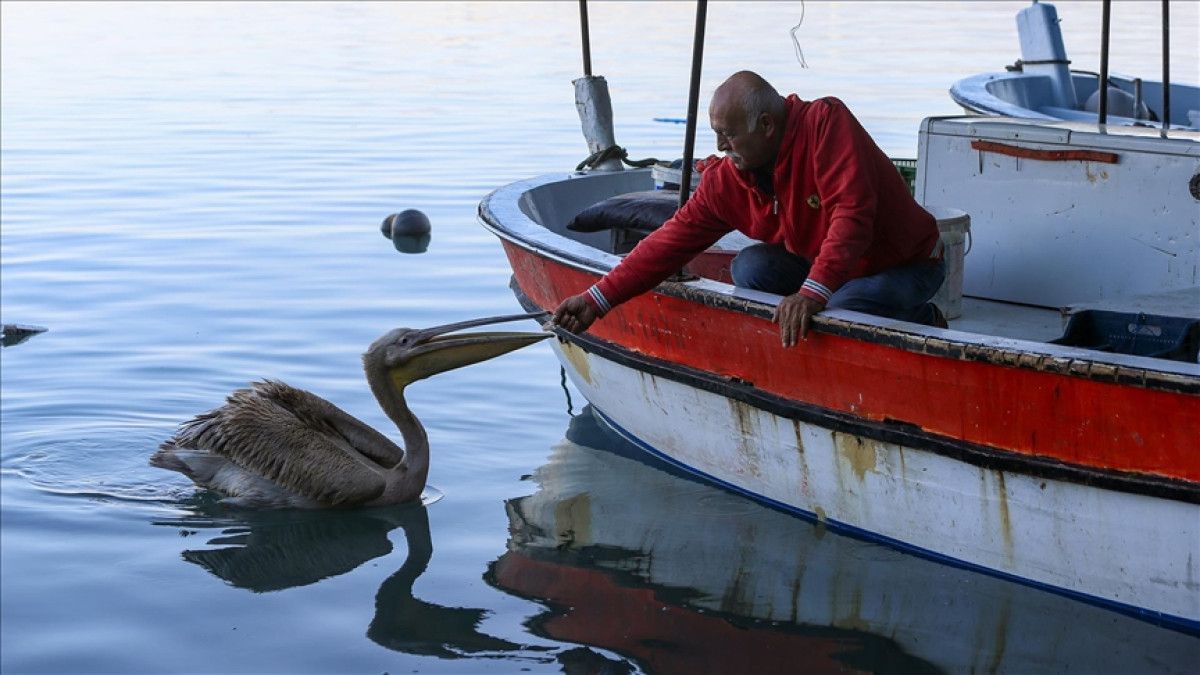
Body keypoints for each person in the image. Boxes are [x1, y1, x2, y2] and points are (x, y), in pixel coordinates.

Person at [552, 70, 946, 347]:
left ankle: (924, 320)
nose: (720, 146)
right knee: (750, 267)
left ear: (767, 125)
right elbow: (670, 242)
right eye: (716, 134)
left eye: (728, 134)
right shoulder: (727, 180)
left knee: (843, 309)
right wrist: (596, 300)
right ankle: (791, 342)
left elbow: (852, 217)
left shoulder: (826, 124)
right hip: (831, 268)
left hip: (906, 265)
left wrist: (812, 293)